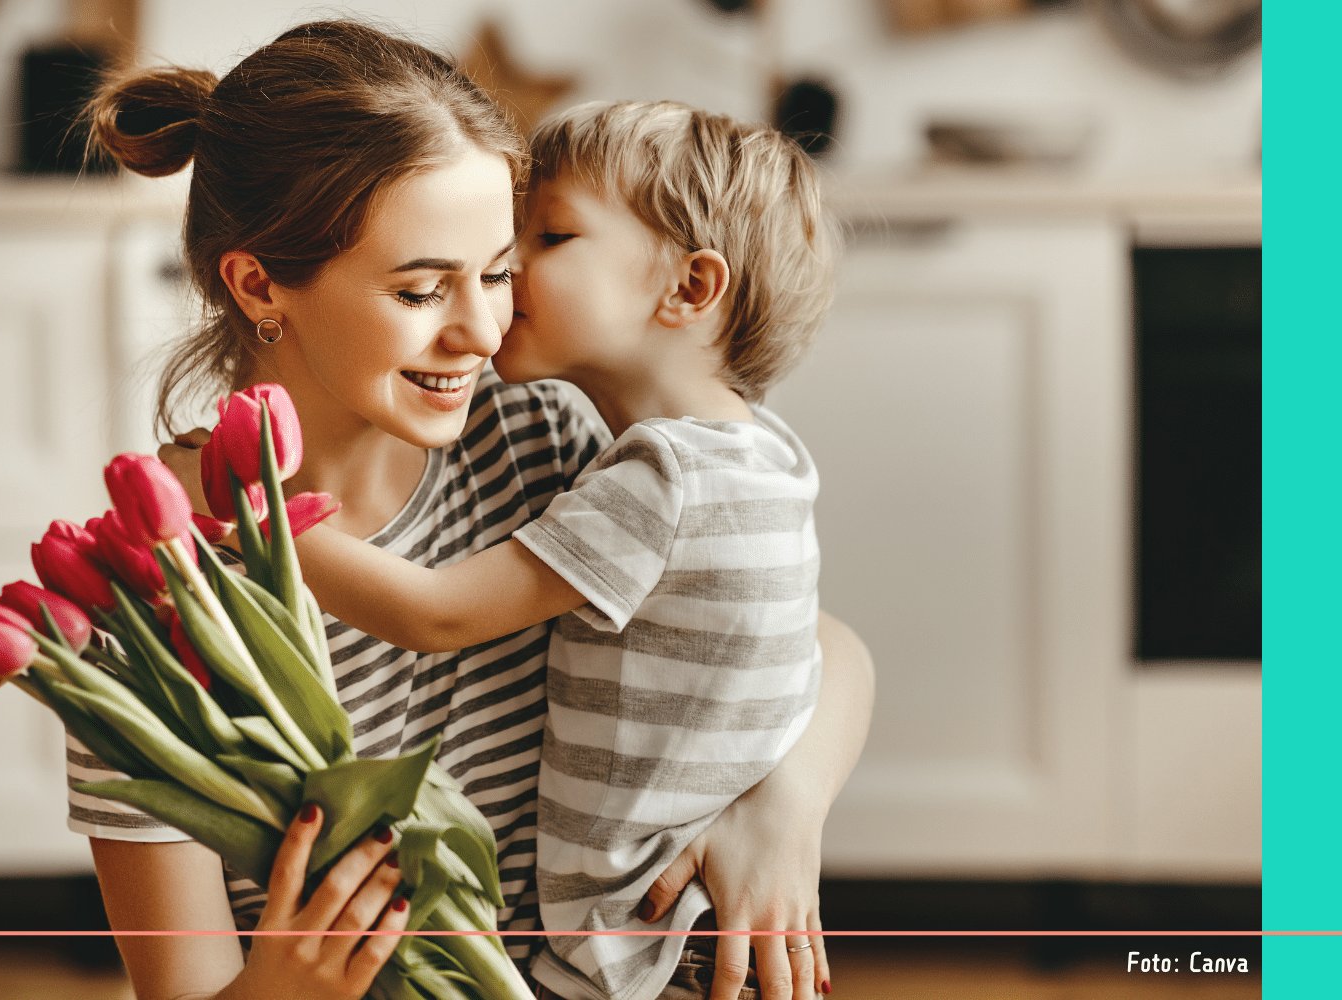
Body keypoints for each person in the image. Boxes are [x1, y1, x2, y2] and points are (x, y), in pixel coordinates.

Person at [74, 21, 873, 1000]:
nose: (484, 331)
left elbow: (806, 637)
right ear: (257, 284)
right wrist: (286, 982)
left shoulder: (536, 442)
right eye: (422, 290)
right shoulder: (158, 615)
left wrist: (783, 808)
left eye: (498, 273)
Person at [285, 99, 834, 1000]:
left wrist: (246, 511)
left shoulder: (664, 482)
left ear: (690, 288)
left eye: (550, 237)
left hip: (644, 949)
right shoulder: (763, 453)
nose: (510, 269)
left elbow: (437, 613)